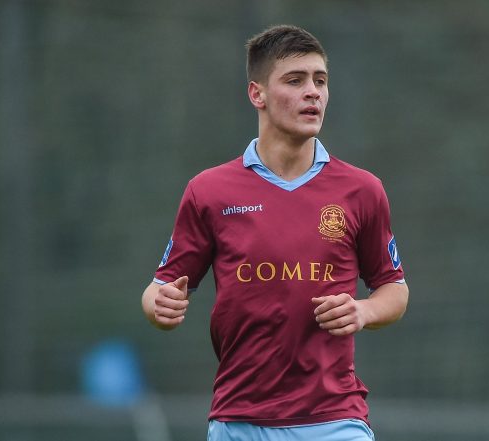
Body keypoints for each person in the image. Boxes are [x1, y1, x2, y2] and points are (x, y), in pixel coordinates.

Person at [141, 24, 409, 441]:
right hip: (239, 421)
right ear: (257, 94)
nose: (313, 92)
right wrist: (160, 306)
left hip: (336, 421)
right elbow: (158, 291)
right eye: (295, 80)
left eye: (320, 80)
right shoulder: (209, 191)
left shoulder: (362, 190)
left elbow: (394, 289)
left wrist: (363, 310)